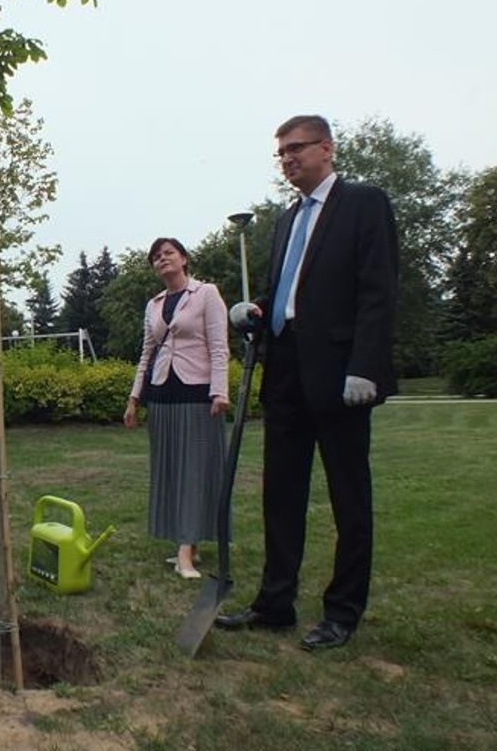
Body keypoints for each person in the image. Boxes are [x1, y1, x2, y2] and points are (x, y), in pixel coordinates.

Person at [216, 114, 398, 651]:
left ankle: (342, 612)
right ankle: (275, 604)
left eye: (297, 149)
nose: (288, 159)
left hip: (341, 375)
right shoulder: (288, 218)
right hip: (287, 370)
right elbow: (290, 296)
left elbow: (378, 290)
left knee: (349, 496)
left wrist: (364, 366)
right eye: (281, 153)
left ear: (327, 148)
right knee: (281, 492)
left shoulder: (364, 203)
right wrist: (256, 310)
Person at [123, 237, 230, 580]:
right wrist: (134, 397)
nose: (161, 259)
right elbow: (146, 353)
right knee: (171, 471)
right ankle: (189, 544)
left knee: (195, 471)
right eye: (156, 257)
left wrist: (220, 392)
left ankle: (185, 551)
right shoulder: (154, 305)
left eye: (168, 253)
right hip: (162, 395)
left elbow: (219, 347)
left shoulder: (206, 294)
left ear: (184, 259)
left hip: (197, 393)